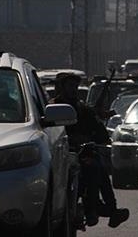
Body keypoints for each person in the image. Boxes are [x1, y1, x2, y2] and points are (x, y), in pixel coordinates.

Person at [51, 73, 129, 229]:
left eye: (75, 86)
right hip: (60, 153)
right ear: (61, 88)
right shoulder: (53, 107)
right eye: (69, 86)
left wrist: (101, 136)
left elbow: (98, 129)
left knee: (98, 167)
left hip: (82, 153)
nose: (73, 90)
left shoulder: (82, 108)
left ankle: (107, 209)